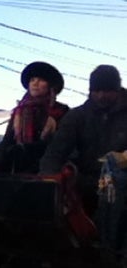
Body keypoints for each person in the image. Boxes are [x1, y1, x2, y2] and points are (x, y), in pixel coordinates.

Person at [40, 64, 127, 218]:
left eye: (106, 91)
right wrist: (48, 181)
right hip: (86, 184)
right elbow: (55, 152)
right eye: (96, 91)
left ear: (117, 91)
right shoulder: (77, 116)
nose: (101, 95)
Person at [0, 61, 70, 175]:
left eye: (40, 80)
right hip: (19, 172)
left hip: (47, 171)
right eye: (32, 80)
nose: (35, 83)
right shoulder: (19, 112)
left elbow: (61, 145)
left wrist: (30, 149)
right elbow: (7, 141)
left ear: (50, 86)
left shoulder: (61, 111)